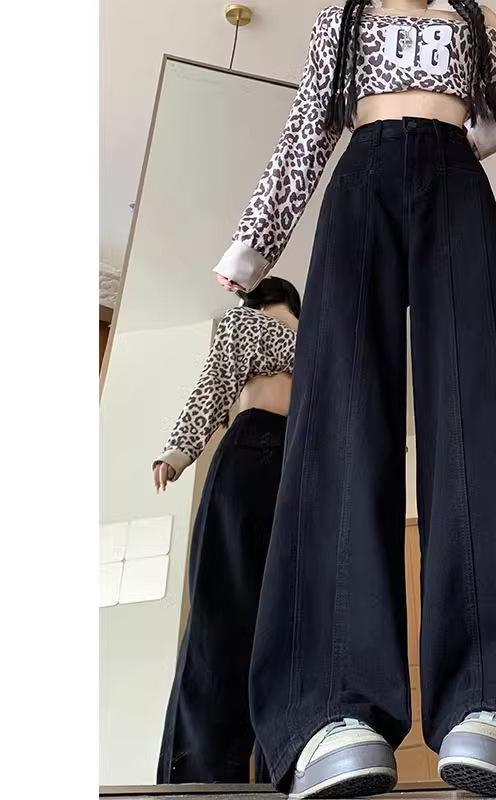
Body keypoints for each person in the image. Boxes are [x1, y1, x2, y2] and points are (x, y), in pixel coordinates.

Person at [214, 2, 496, 797]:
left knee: (481, 416)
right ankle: (331, 707)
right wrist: (252, 245)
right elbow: (306, 131)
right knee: (341, 423)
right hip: (359, 187)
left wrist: (487, 131)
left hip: (458, 188)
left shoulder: (473, 17)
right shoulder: (340, 19)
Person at [152, 277, 300, 785]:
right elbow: (216, 382)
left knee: (249, 619)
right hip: (269, 453)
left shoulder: (300, 334)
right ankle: (217, 775)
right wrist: (179, 450)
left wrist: (178, 452)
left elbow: (215, 383)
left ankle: (219, 775)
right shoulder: (263, 326)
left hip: (284, 457)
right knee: (237, 618)